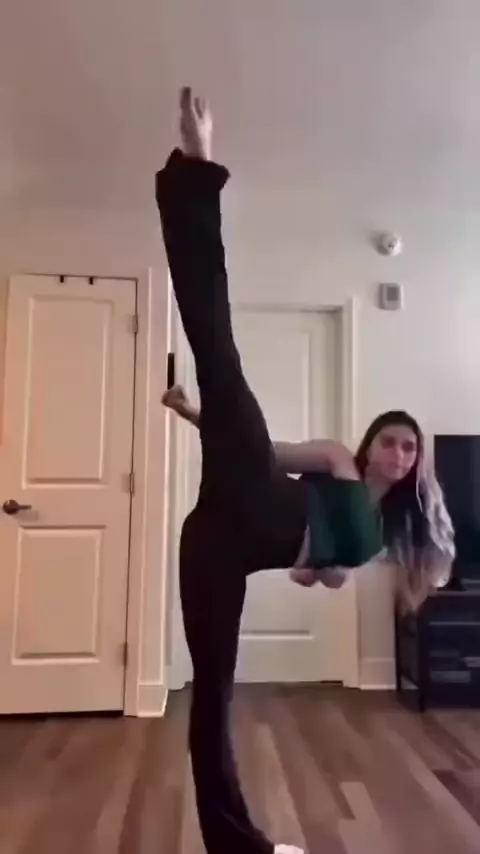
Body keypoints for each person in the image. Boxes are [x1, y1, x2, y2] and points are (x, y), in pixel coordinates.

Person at [156, 87, 454, 854]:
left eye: (409, 448)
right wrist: (195, 413)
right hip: (248, 487)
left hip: (217, 547)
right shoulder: (336, 462)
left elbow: (312, 575)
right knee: (217, 345)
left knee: (212, 700)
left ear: (416, 466)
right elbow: (267, 453)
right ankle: (197, 168)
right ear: (371, 445)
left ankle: (238, 847)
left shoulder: (377, 537)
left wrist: (324, 564)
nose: (397, 452)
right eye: (391, 440)